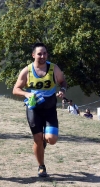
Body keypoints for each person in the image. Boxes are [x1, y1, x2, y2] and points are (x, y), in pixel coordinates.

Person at [12, 43, 67, 177]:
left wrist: (62, 90)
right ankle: (41, 166)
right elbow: (15, 89)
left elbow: (62, 81)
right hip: (34, 109)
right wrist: (27, 94)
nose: (42, 56)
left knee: (52, 139)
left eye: (44, 53)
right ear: (33, 55)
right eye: (39, 54)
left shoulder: (54, 68)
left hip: (49, 108)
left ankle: (42, 142)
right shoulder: (27, 70)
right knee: (37, 138)